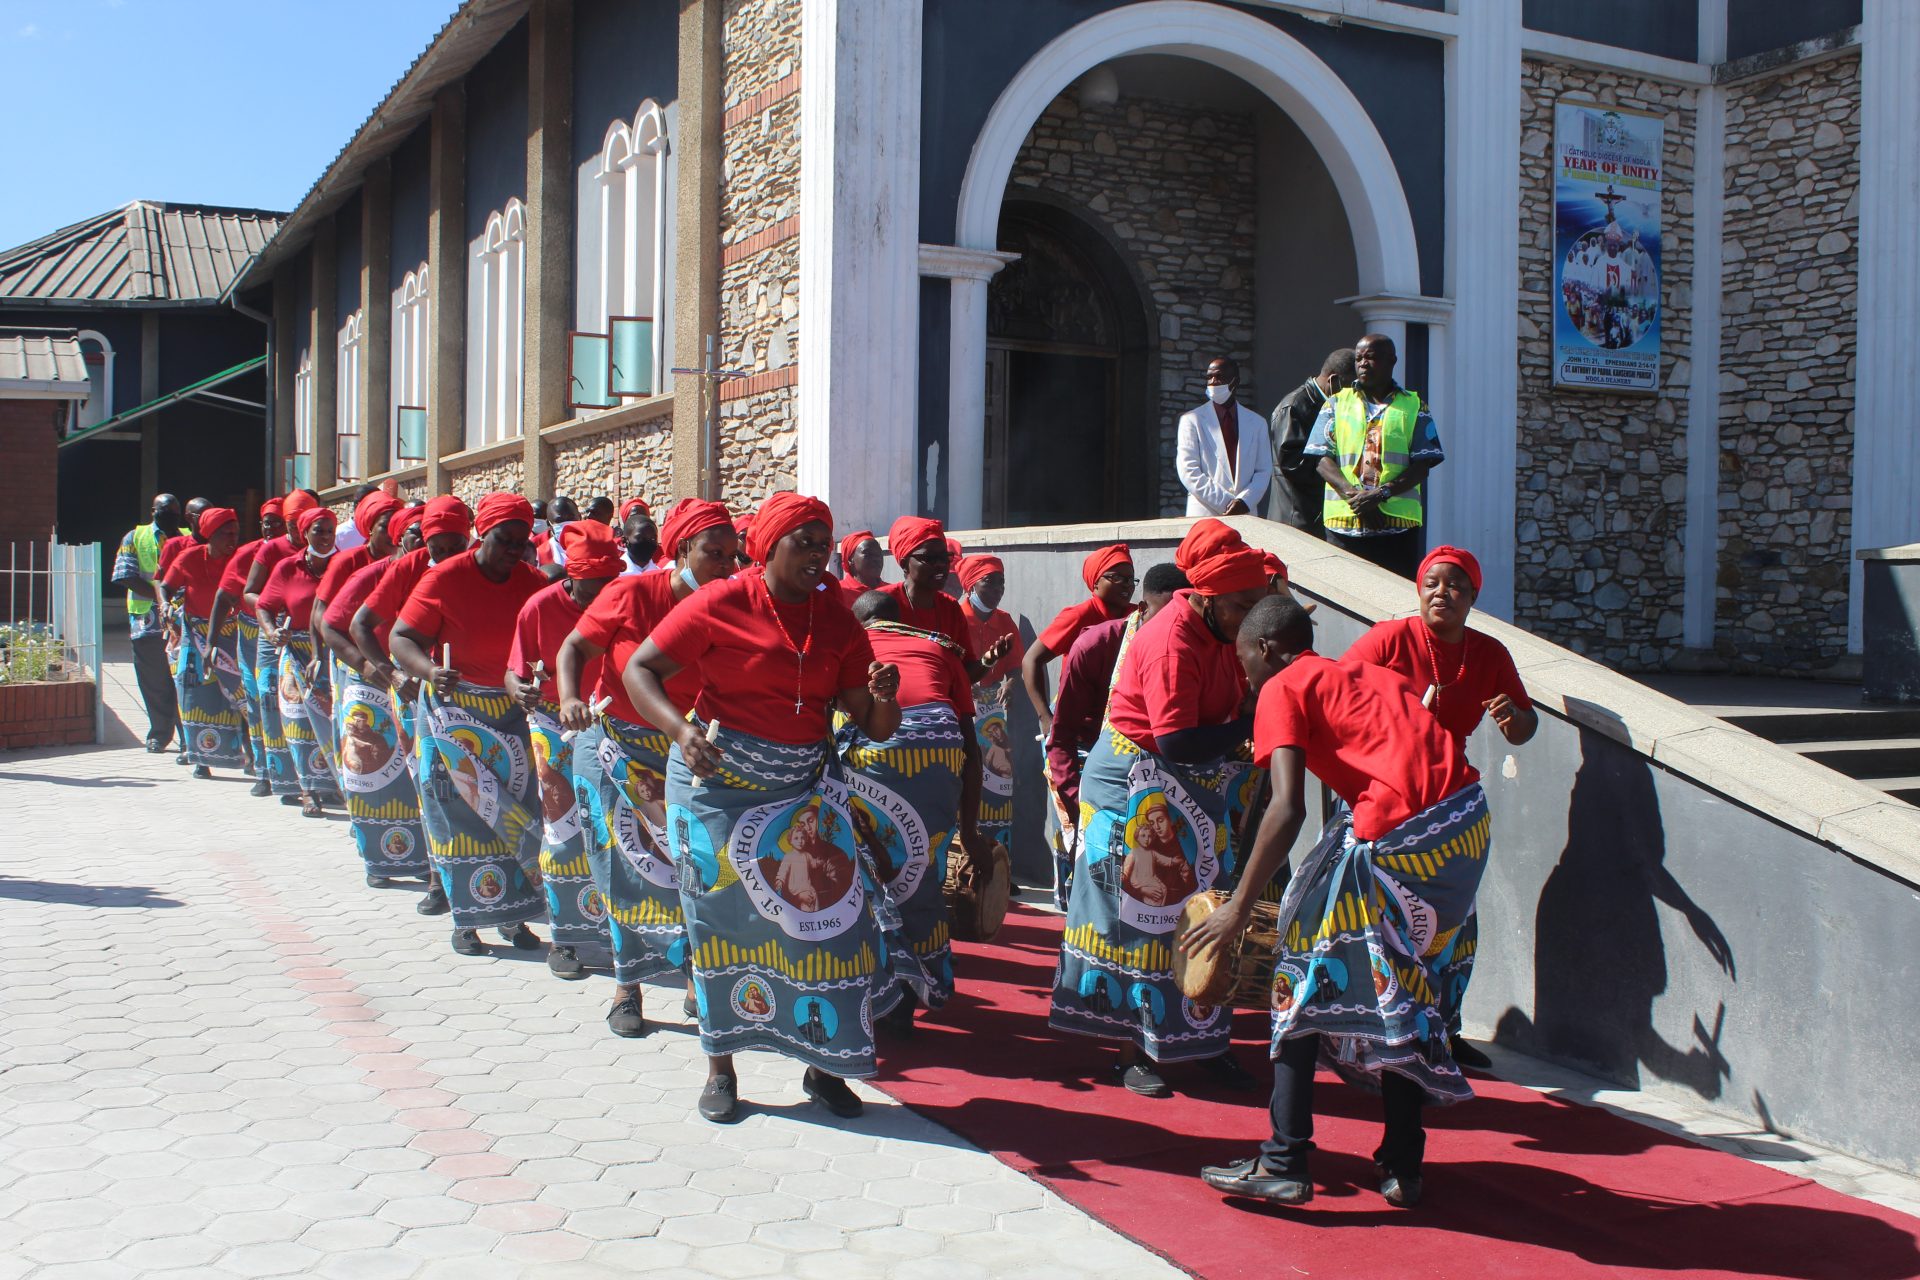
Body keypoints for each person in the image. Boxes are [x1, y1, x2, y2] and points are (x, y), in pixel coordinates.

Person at [1185, 594, 1490, 1210]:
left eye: (1243, 654)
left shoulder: (1281, 686)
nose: (1241, 669)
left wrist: (1239, 907)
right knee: (1401, 988)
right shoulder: (1370, 673)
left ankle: (1283, 1160)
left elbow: (1287, 806)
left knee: (1297, 979)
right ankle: (1404, 1165)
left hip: (1401, 837)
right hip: (1464, 829)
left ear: (1266, 647)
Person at [625, 492, 902, 1125]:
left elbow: (875, 724)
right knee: (722, 923)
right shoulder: (722, 602)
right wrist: (678, 729)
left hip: (802, 791)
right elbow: (642, 669)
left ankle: (824, 1065)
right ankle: (722, 1067)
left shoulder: (838, 619)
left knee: (834, 924)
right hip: (714, 786)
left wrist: (886, 698)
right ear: (769, 546)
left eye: (822, 542)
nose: (817, 554)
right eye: (803, 541)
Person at [1049, 520, 1271, 1098]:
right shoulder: (1171, 639)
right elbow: (1175, 741)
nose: (1250, 618)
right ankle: (1130, 1051)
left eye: (1256, 605)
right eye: (1242, 606)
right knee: (1139, 919)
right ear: (1206, 596)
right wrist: (1248, 726)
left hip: (1190, 786)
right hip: (1133, 785)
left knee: (1203, 911)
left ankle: (1202, 1040)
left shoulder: (1222, 634)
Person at [1342, 544, 1535, 1070]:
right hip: (1379, 797)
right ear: (1418, 590)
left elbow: (1525, 728)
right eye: (1432, 583)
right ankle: (1363, 1028)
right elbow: (1333, 693)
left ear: (1473, 597)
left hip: (1448, 806)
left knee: (1453, 925)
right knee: (1370, 920)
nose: (1441, 593)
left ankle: (1443, 1031)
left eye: (1455, 586)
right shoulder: (1390, 639)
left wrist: (1511, 715)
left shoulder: (1489, 653)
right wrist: (1392, 711)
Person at [560, 497, 737, 1037]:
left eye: (734, 557)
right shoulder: (633, 594)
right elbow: (572, 648)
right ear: (682, 549)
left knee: (690, 863)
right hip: (614, 745)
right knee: (621, 863)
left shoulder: (729, 604)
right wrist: (569, 697)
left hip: (683, 754)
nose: (727, 567)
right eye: (714, 554)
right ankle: (626, 987)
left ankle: (691, 972)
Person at [391, 493, 550, 958]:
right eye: (505, 540)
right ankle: (467, 920)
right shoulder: (444, 578)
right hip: (448, 714)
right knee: (456, 815)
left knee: (514, 813)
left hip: (506, 715)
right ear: (482, 533)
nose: (514, 552)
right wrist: (427, 670)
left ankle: (515, 916)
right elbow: (401, 637)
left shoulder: (531, 583)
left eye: (522, 543)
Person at [843, 589, 990, 1037]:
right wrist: (970, 831)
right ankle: (911, 998)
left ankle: (881, 997)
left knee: (866, 875)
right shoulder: (941, 648)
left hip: (876, 751)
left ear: (861, 621)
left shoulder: (849, 645)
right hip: (939, 755)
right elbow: (971, 745)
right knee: (922, 869)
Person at [506, 521, 623, 982]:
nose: (604, 597)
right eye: (595, 588)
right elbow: (514, 672)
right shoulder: (538, 608)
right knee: (561, 830)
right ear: (571, 578)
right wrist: (521, 692)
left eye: (611, 584)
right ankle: (567, 938)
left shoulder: (626, 599)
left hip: (613, 724)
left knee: (611, 828)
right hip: (553, 723)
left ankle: (622, 934)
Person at [351, 495, 474, 914]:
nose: (443, 557)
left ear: (469, 536)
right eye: (435, 548)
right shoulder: (408, 567)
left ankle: (495, 885)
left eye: (453, 547)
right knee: (432, 788)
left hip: (480, 698)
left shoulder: (483, 568)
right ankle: (439, 880)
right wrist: (393, 674)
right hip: (417, 694)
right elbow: (359, 625)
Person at [1043, 563, 1187, 909]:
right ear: (1143, 607)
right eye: (1163, 616)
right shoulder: (1094, 644)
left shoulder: (1189, 650)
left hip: (1158, 784)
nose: (1170, 628)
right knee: (1094, 892)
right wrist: (1082, 800)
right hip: (1088, 764)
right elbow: (1060, 738)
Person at [324, 504, 430, 889]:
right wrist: (375, 668)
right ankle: (380, 859)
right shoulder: (370, 575)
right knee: (374, 772)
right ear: (399, 537)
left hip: (413, 685)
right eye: (414, 533)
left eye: (427, 533)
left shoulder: (435, 576)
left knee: (416, 773)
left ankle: (425, 860)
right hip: (369, 682)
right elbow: (331, 626)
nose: (422, 541)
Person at [1306, 333, 1444, 578]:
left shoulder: (1414, 405)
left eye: (1370, 357)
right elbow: (1321, 459)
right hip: (1343, 529)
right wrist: (1358, 499)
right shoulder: (1336, 403)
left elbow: (1423, 464)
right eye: (1358, 358)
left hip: (1396, 530)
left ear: (1392, 360)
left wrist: (1381, 494)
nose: (1362, 364)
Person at [257, 506, 343, 818]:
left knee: (334, 722)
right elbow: (264, 606)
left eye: (330, 531)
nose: (324, 537)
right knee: (298, 723)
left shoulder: (343, 564)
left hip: (333, 653)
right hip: (295, 653)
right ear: (304, 533)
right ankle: (308, 791)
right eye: (318, 531)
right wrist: (271, 631)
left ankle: (336, 784)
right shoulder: (287, 568)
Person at [211, 499, 288, 793]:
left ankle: (306, 778)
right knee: (259, 702)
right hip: (253, 636)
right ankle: (265, 771)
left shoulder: (300, 555)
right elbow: (223, 597)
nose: (273, 528)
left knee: (292, 706)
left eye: (279, 522)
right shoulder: (247, 555)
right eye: (267, 522)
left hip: (292, 637)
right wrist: (211, 644)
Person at [158, 507, 242, 779]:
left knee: (235, 694)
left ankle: (247, 754)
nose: (232, 538)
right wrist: (165, 606)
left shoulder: (241, 559)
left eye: (235, 533)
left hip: (231, 633)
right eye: (226, 534)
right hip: (195, 634)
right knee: (195, 695)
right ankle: (201, 759)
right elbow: (165, 587)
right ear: (210, 535)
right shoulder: (190, 557)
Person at [1020, 543, 1135, 735]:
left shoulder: (1136, 616)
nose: (1126, 584)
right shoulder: (1078, 616)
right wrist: (1045, 718)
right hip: (1074, 723)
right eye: (1116, 577)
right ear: (1095, 582)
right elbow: (1031, 660)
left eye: (1130, 579)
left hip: (1115, 724)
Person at [880, 517, 1010, 683]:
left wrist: (989, 659)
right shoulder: (883, 603)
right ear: (905, 564)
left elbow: (965, 673)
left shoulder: (950, 608)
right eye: (929, 558)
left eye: (944, 557)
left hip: (945, 705)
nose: (940, 565)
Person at [111, 493, 184, 753]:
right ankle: (160, 733)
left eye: (174, 512)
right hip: (147, 621)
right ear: (153, 511)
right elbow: (125, 575)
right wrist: (162, 596)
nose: (170, 517)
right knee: (154, 681)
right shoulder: (134, 537)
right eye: (164, 512)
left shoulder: (188, 535)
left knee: (183, 678)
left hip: (182, 623)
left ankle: (188, 735)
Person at [957, 555, 1020, 851]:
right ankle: (963, 855)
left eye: (1001, 583)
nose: (997, 589)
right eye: (989, 582)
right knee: (963, 778)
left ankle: (999, 859)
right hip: (960, 705)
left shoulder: (1004, 621)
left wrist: (1010, 680)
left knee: (999, 780)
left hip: (994, 710)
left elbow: (1016, 665)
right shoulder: (955, 617)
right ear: (971, 584)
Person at [1264, 349, 1355, 531]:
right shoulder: (1294, 406)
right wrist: (1337, 473)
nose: (1354, 395)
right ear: (1333, 381)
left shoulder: (1336, 407)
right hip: (1296, 520)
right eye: (1350, 387)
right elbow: (1293, 464)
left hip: (1321, 517)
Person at [1177, 357, 1272, 518]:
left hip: (1245, 515)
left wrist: (1244, 501)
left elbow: (1263, 470)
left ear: (1235, 381)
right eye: (1209, 377)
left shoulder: (1257, 423)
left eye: (1219, 377)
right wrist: (1226, 503)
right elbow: (1189, 471)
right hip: (1206, 514)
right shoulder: (1192, 420)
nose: (1213, 382)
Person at [837, 529, 885, 605]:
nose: (876, 558)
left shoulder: (892, 591)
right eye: (868, 553)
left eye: (879, 554)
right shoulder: (836, 591)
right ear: (850, 559)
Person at [617, 498, 661, 576]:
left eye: (643, 516)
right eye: (634, 516)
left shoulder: (660, 570)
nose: (639, 519)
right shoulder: (614, 550)